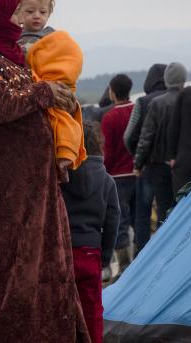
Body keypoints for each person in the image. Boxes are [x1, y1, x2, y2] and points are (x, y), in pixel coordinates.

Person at [0, 0, 89, 341]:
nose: (18, 18)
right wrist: (46, 92)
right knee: (9, 274)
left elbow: (36, 91)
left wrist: (60, 97)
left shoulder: (9, 52)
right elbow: (3, 105)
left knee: (45, 269)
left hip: (32, 183)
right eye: (10, 10)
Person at [62, 121, 119, 343]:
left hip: (62, 252)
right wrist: (104, 257)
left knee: (61, 310)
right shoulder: (107, 181)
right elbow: (112, 222)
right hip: (90, 253)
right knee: (93, 311)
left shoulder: (60, 177)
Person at [18, 0, 87, 175]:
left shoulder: (54, 38)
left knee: (63, 120)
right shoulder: (14, 38)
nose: (36, 16)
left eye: (42, 12)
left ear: (49, 14)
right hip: (34, 87)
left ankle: (65, 153)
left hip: (53, 83)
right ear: (19, 12)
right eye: (30, 11)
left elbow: (69, 57)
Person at [134, 62, 187, 232]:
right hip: (183, 164)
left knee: (163, 210)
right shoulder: (190, 98)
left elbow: (146, 136)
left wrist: (138, 163)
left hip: (158, 165)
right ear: (183, 79)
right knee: (183, 207)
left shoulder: (157, 103)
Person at [123, 64, 167, 256]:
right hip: (169, 166)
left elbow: (128, 136)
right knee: (165, 212)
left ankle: (142, 255)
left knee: (143, 213)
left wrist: (137, 157)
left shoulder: (141, 102)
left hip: (147, 165)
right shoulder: (177, 98)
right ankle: (164, 252)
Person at [101, 74, 135, 275]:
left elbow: (109, 151)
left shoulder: (110, 118)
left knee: (119, 220)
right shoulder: (136, 110)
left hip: (118, 176)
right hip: (138, 172)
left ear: (112, 92)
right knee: (140, 218)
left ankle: (123, 266)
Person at [167, 84, 191, 194]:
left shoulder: (185, 93)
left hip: (184, 158)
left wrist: (172, 156)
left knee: (182, 200)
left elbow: (173, 127)